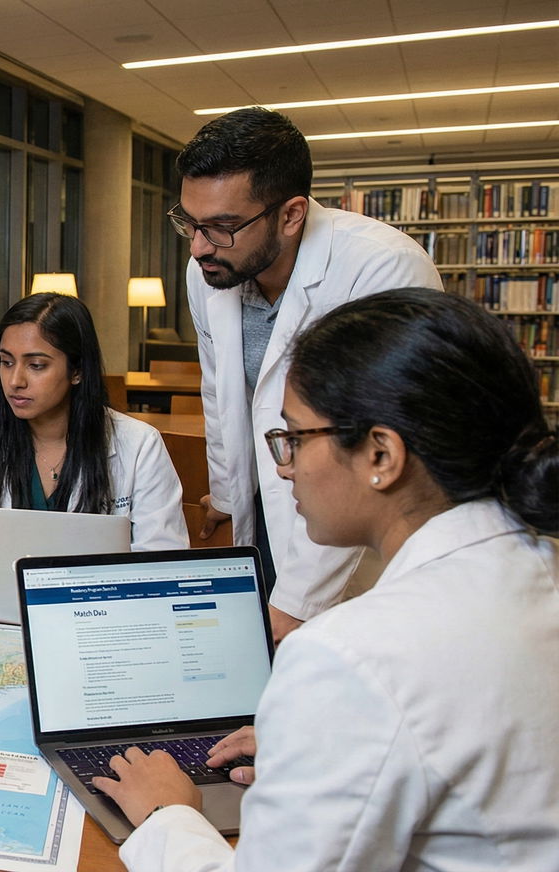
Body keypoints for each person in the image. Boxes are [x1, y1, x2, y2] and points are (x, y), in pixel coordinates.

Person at [96, 288, 559, 871]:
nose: (283, 467)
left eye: (293, 437)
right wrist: (322, 746)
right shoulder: (532, 569)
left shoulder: (351, 657)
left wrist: (168, 816)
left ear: (381, 455)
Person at [171, 107, 442, 639]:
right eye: (188, 222)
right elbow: (221, 391)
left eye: (223, 227)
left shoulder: (381, 268)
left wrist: (299, 602)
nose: (199, 246)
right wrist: (228, 496)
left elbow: (373, 456)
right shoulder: (208, 269)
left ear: (291, 214)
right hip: (274, 507)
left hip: (358, 536)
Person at [0, 293, 187, 585]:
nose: (15, 381)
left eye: (36, 365)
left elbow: (163, 561)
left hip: (98, 615)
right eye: (6, 362)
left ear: (77, 370)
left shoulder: (140, 444)